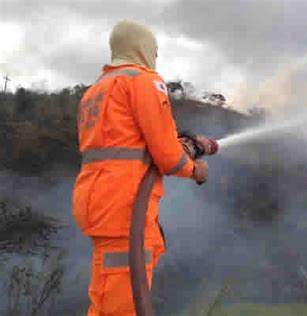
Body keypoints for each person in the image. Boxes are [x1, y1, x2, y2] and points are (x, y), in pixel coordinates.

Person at [72, 20, 211, 315]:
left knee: (105, 297)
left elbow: (128, 139)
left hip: (97, 202)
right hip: (125, 207)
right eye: (154, 51)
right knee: (124, 304)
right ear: (143, 48)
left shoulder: (96, 90)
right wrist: (195, 170)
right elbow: (168, 155)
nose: (155, 58)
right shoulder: (143, 81)